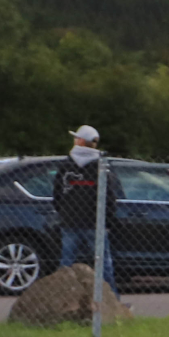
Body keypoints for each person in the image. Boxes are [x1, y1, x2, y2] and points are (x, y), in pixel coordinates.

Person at [50, 124, 116, 292]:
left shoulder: (66, 165)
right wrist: (107, 221)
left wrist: (63, 212)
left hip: (70, 222)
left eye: (75, 137)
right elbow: (109, 197)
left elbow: (57, 193)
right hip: (95, 222)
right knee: (103, 263)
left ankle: (61, 296)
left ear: (80, 141)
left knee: (66, 263)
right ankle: (111, 301)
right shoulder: (101, 166)